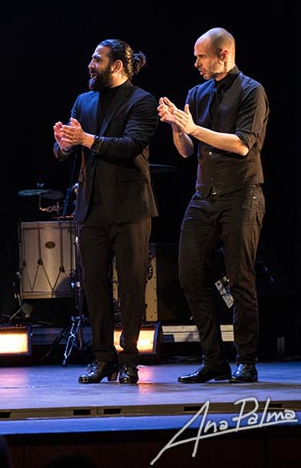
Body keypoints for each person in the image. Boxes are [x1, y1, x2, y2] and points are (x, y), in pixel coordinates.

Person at [158, 28, 268, 383]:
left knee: (240, 280)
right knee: (189, 275)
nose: (196, 63)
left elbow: (242, 144)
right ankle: (213, 359)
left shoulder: (252, 91)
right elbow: (186, 151)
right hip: (204, 196)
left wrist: (193, 128)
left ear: (223, 55)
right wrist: (177, 127)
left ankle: (246, 360)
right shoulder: (197, 93)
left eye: (201, 56)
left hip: (242, 195)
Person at [53, 40, 157, 385]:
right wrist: (63, 145)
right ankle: (102, 359)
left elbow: (130, 146)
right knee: (94, 287)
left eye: (97, 59)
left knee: (131, 287)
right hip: (91, 207)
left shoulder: (142, 101)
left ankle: (129, 359)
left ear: (117, 66)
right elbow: (68, 145)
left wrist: (86, 140)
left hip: (130, 207)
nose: (90, 64)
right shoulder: (84, 101)